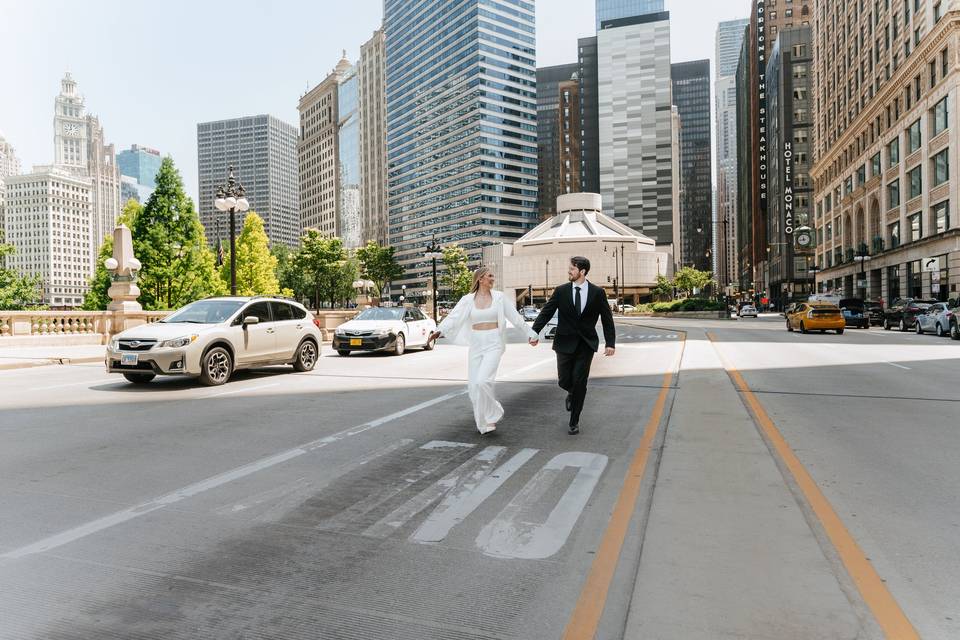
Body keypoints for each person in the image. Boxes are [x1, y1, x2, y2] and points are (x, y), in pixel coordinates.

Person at [428, 267, 539, 435]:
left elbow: (515, 318)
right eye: (490, 276)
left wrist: (531, 333)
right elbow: (454, 317)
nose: (493, 279)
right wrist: (439, 330)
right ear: (480, 279)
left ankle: (493, 413)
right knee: (474, 386)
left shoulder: (500, 298)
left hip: (493, 342)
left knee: (483, 381)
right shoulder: (467, 300)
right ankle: (484, 422)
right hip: (476, 343)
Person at [530, 256, 616, 435]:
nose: (569, 271)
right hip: (564, 343)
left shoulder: (597, 292)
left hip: (586, 344)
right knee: (564, 380)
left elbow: (607, 319)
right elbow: (546, 312)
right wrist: (534, 332)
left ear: (582, 271)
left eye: (572, 269)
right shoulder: (561, 291)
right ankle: (571, 392)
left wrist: (610, 343)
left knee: (580, 382)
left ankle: (574, 421)